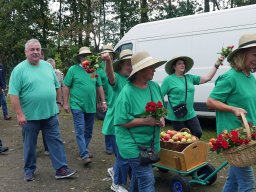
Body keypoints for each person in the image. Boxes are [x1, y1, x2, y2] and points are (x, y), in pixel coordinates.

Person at [8, 38, 76, 181]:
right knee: (30, 145)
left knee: (55, 141)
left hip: (50, 114)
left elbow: (56, 86)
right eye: (32, 49)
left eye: (38, 49)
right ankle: (29, 170)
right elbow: (13, 94)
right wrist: (19, 114)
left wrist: (58, 102)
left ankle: (61, 169)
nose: (35, 52)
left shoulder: (47, 66)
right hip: (30, 116)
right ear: (26, 52)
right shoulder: (19, 70)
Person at [207, 33, 256, 192]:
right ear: (242, 55)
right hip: (235, 139)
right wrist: (233, 109)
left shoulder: (250, 77)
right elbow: (210, 101)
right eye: (254, 54)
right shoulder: (230, 77)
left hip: (247, 136)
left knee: (233, 181)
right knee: (247, 184)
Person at [114, 51, 166, 191]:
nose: (154, 69)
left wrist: (161, 118)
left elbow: (161, 108)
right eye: (151, 67)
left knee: (138, 179)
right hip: (132, 145)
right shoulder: (127, 93)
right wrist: (146, 121)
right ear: (140, 70)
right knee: (147, 180)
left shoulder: (154, 86)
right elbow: (120, 121)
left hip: (150, 144)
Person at [63, 46, 107, 166]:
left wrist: (103, 102)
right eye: (83, 56)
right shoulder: (73, 70)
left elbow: (99, 86)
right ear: (80, 58)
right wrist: (65, 103)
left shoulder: (94, 70)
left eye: (88, 56)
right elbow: (66, 86)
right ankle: (84, 154)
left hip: (91, 106)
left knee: (89, 131)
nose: (85, 58)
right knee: (80, 129)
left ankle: (84, 149)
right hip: (77, 105)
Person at [161, 55, 222, 138]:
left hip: (190, 113)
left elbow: (207, 78)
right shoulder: (168, 80)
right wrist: (161, 115)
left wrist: (217, 64)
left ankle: (192, 150)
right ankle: (187, 150)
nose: (182, 65)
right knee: (181, 138)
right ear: (174, 66)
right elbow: (160, 96)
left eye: (183, 63)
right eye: (179, 63)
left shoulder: (189, 78)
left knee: (197, 133)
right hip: (177, 114)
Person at [101, 49, 133, 192]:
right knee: (123, 155)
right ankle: (117, 183)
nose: (130, 66)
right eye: (127, 64)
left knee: (124, 154)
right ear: (120, 66)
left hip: (128, 123)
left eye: (132, 64)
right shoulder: (116, 79)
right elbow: (110, 75)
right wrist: (108, 61)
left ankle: (115, 170)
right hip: (115, 124)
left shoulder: (132, 80)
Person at [98, 44, 115, 155]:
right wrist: (99, 101)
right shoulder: (98, 69)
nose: (109, 55)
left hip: (116, 99)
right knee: (108, 123)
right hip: (106, 101)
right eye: (106, 52)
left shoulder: (118, 67)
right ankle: (109, 146)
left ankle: (116, 145)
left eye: (110, 53)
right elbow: (96, 85)